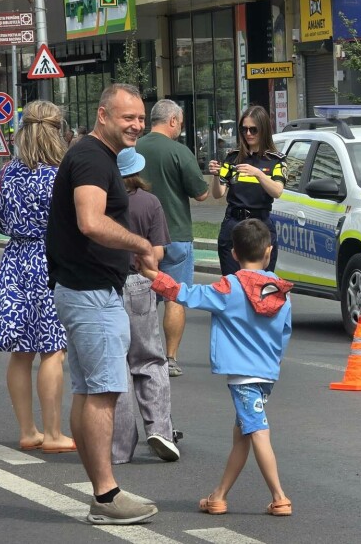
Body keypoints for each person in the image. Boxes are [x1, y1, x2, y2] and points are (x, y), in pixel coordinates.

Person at [45, 83, 159, 525]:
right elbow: (90, 222)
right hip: (90, 293)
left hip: (87, 288)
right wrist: (140, 244)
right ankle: (107, 496)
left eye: (140, 118)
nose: (136, 125)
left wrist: (133, 254)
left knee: (90, 389)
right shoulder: (92, 157)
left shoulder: (96, 155)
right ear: (103, 115)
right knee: (103, 391)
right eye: (127, 117)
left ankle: (103, 491)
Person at [140, 218, 293, 517]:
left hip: (243, 376)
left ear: (233, 253)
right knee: (243, 435)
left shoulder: (228, 287)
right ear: (269, 251)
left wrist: (153, 275)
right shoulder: (280, 290)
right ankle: (218, 496)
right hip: (267, 372)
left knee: (257, 431)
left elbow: (185, 294)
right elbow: (285, 331)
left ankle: (280, 497)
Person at [0, 101, 76, 455]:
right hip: (51, 261)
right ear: (58, 130)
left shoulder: (7, 172)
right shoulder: (62, 174)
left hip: (15, 261)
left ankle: (28, 430)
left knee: (20, 352)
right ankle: (54, 432)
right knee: (53, 349)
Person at [110, 147, 179, 464]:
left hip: (105, 285)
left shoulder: (101, 203)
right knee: (150, 359)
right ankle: (160, 431)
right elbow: (158, 255)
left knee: (116, 365)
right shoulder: (149, 203)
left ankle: (120, 447)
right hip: (139, 283)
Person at [136, 99, 210, 378]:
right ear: (172, 121)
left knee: (139, 299)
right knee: (174, 298)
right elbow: (201, 193)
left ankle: (140, 354)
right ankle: (171, 358)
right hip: (176, 235)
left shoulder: (133, 148)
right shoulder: (179, 151)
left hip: (140, 239)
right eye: (179, 121)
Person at [207, 104, 287, 276]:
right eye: (244, 130)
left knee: (261, 285)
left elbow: (277, 191)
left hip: (261, 224)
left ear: (263, 130)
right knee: (232, 283)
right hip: (234, 223)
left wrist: (258, 174)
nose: (248, 134)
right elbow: (218, 193)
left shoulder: (275, 160)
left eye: (253, 130)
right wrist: (215, 175)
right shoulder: (233, 157)